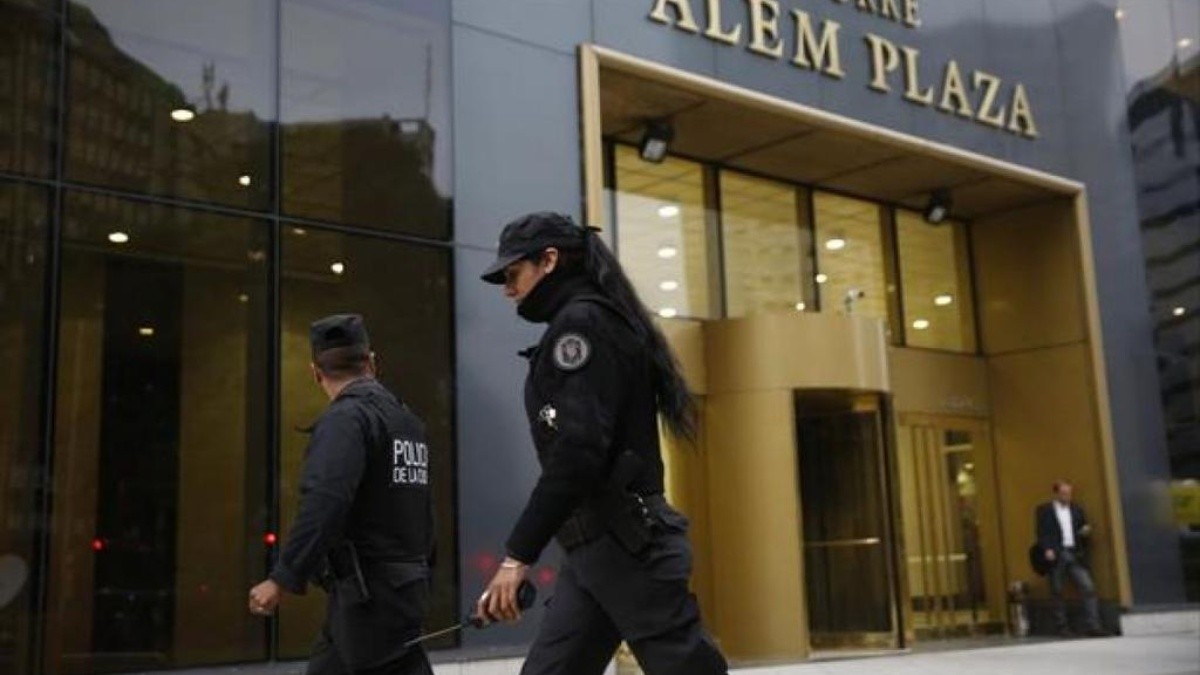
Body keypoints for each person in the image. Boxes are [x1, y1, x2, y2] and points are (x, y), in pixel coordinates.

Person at [476, 212, 728, 675]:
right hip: (597, 548)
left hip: (628, 544)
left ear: (549, 260)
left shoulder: (583, 326)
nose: (507, 289)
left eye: (512, 274)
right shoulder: (591, 322)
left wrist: (518, 556)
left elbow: (578, 454)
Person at [248, 314, 436, 674]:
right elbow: (424, 512)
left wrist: (283, 577)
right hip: (399, 591)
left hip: (369, 601)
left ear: (315, 373)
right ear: (372, 362)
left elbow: (325, 501)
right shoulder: (406, 420)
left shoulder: (347, 419)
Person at [1035, 480, 1105, 637]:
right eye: (1064, 493)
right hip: (1057, 554)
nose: (1067, 496)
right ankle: (1062, 627)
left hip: (1074, 553)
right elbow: (1041, 532)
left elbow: (1083, 526)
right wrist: (1047, 549)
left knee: (1088, 587)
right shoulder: (1044, 510)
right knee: (1057, 590)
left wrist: (1085, 531)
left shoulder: (1077, 509)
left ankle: (1093, 626)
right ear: (1056, 494)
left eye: (1069, 493)